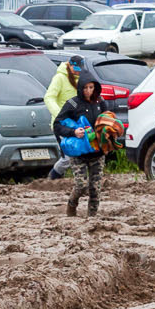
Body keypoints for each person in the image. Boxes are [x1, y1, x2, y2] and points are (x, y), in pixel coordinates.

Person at [52, 70, 110, 217]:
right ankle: (72, 204)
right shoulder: (72, 103)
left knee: (95, 189)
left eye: (91, 87)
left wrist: (109, 138)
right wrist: (73, 132)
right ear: (80, 88)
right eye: (85, 88)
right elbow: (57, 125)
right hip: (79, 154)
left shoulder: (100, 102)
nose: (88, 91)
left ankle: (92, 217)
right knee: (81, 185)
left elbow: (108, 121)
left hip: (97, 153)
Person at [43, 55, 84, 179]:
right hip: (61, 124)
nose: (76, 70)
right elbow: (49, 97)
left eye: (79, 68)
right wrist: (60, 115)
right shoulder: (60, 78)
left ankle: (77, 180)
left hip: (78, 123)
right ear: (69, 65)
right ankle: (52, 178)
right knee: (68, 157)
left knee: (82, 153)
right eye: (74, 67)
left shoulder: (82, 78)